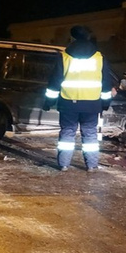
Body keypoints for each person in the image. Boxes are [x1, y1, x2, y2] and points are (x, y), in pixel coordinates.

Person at [43, 25, 113, 172]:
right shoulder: (99, 57)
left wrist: (49, 102)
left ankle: (63, 164)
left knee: (67, 132)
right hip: (92, 103)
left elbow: (55, 81)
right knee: (90, 134)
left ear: (72, 38)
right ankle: (91, 166)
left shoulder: (64, 56)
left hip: (68, 102)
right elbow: (106, 83)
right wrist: (105, 103)